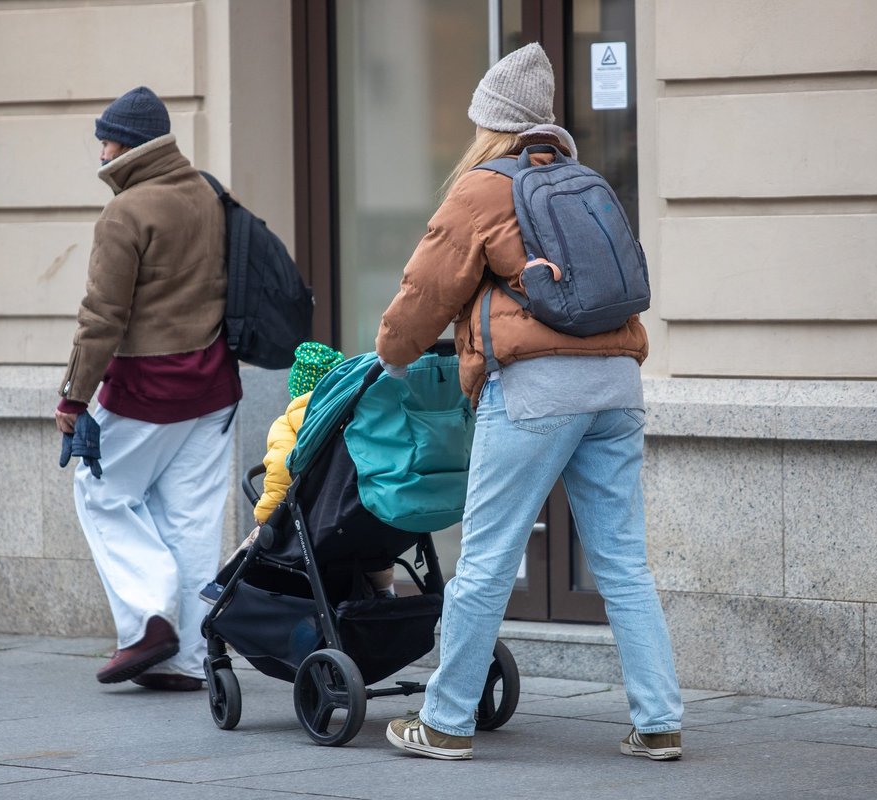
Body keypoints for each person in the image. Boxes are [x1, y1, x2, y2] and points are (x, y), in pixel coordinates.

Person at [376, 43, 684, 760]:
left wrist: (391, 355)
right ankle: (660, 718)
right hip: (616, 384)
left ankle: (447, 721)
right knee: (624, 563)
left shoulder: (483, 188)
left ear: (491, 123)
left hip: (537, 388)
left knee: (484, 558)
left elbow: (424, 292)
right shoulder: (583, 179)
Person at [55, 86, 241, 692]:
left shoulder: (126, 212)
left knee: (102, 494)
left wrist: (73, 397)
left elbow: (101, 317)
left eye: (105, 139)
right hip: (214, 388)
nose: (100, 150)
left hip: (145, 387)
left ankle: (147, 624)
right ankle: (184, 660)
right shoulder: (210, 194)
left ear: (128, 145)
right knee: (190, 520)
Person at [200, 341, 396, 603]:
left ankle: (222, 588)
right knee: (376, 553)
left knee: (256, 541)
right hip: (353, 517)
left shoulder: (287, 424)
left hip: (308, 522)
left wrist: (265, 514)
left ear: (296, 388)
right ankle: (386, 592)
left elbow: (280, 472)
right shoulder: (355, 419)